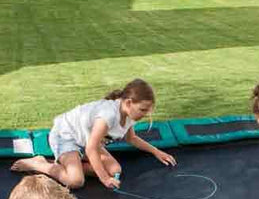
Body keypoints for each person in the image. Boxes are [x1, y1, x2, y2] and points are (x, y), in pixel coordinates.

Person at [10, 79, 176, 189]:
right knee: (76, 181)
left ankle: (70, 164)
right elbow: (91, 149)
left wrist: (157, 152)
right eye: (143, 110)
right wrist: (104, 179)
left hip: (86, 142)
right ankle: (39, 164)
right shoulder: (108, 115)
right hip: (66, 136)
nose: (145, 114)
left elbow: (131, 138)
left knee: (115, 169)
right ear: (128, 102)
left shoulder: (130, 114)